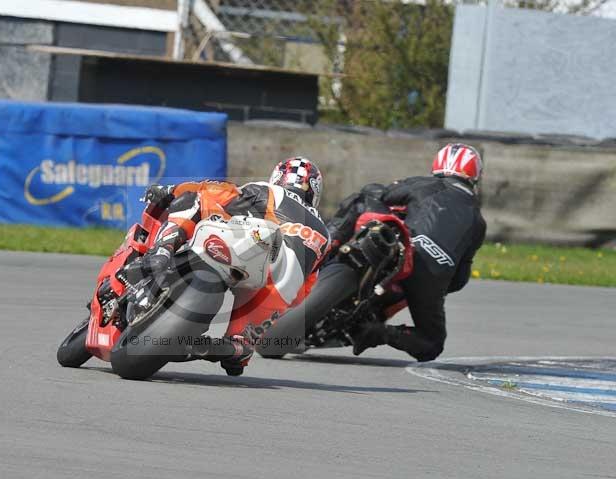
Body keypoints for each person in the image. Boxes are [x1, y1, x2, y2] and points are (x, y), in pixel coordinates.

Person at [137, 157, 330, 375]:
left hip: (251, 250)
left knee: (196, 198)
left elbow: (218, 191)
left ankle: (163, 250)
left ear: (278, 177)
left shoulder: (271, 191)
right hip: (278, 291)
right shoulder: (325, 234)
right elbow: (303, 293)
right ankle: (236, 348)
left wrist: (170, 190)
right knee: (241, 347)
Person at [326, 143, 487, 361]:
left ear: (438, 165)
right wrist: (434, 290)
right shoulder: (478, 222)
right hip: (431, 277)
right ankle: (377, 332)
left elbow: (381, 194)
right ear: (475, 175)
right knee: (431, 344)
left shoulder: (423, 184)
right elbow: (459, 280)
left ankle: (324, 247)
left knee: (362, 198)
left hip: (402, 250)